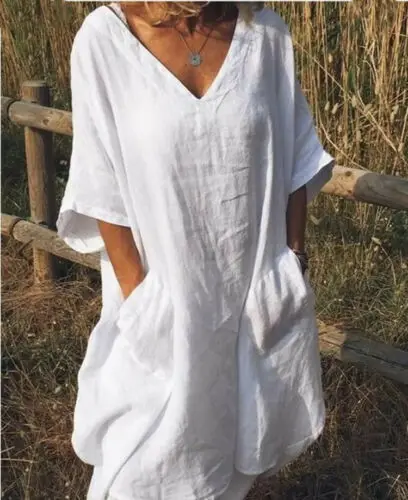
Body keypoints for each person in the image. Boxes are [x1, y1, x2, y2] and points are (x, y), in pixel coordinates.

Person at [56, 1, 335, 499]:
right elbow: (101, 185)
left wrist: (293, 260)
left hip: (251, 302)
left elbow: (296, 156)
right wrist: (139, 297)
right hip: (161, 308)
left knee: (232, 466)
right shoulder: (105, 40)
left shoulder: (263, 33)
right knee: (135, 475)